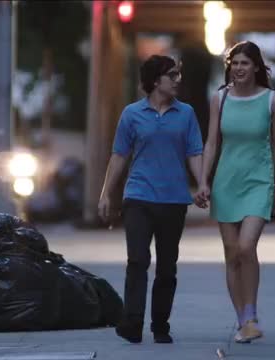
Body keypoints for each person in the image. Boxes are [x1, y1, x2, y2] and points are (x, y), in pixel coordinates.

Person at [98, 55, 203, 344]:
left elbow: (194, 152)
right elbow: (119, 155)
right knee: (138, 260)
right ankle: (132, 323)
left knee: (167, 266)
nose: (178, 80)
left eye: (179, 74)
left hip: (173, 200)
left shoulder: (186, 114)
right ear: (156, 80)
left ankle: (160, 326)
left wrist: (203, 183)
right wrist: (107, 192)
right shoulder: (132, 114)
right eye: (173, 75)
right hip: (139, 197)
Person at [195, 41, 275, 343]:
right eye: (234, 63)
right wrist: (204, 181)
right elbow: (211, 143)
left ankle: (252, 311)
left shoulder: (273, 101)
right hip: (226, 182)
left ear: (257, 67)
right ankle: (244, 320)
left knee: (246, 247)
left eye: (245, 63)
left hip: (259, 180)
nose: (239, 69)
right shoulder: (219, 99)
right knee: (232, 254)